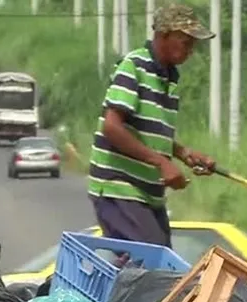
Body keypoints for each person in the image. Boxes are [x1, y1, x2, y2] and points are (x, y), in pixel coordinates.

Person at [87, 3, 217, 249]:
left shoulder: (168, 77)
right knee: (154, 263)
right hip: (120, 186)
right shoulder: (134, 66)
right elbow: (112, 128)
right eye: (185, 40)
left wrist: (184, 153)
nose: (191, 49)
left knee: (159, 263)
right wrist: (161, 162)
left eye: (193, 43)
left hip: (148, 192)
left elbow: (149, 131)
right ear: (163, 35)